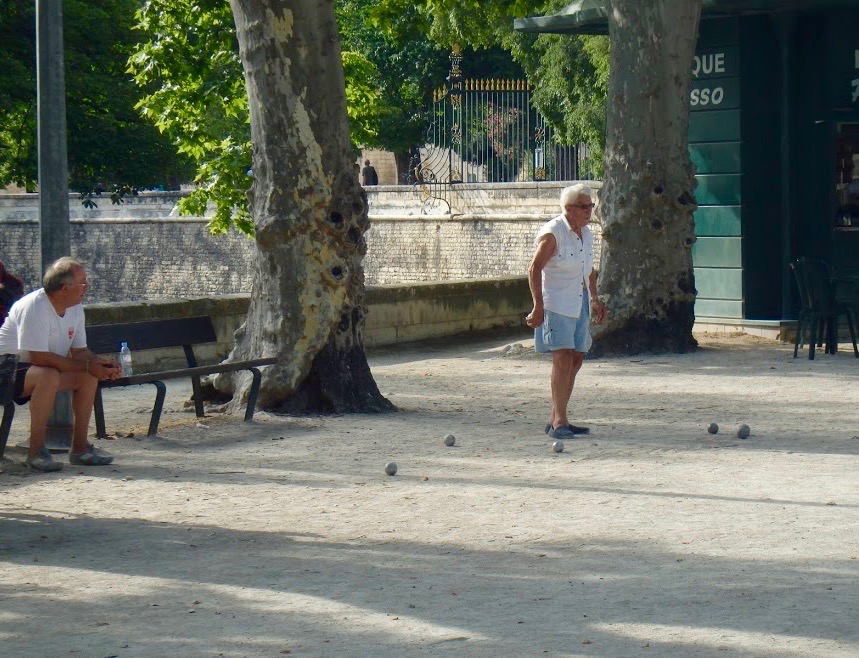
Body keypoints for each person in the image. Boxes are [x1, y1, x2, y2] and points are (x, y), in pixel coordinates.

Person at [0, 257, 121, 472]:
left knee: (87, 377)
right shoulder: (35, 306)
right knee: (48, 374)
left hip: (34, 371)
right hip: (7, 369)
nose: (87, 287)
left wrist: (99, 364)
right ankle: (36, 452)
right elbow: (39, 358)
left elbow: (80, 351)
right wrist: (86, 366)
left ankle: (80, 448)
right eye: (83, 283)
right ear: (66, 288)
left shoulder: (75, 308)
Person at [526, 183, 608, 441]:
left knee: (577, 358)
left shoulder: (587, 235)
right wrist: (538, 305)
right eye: (584, 206)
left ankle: (555, 417)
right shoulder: (553, 233)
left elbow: (589, 271)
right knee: (562, 358)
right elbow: (534, 269)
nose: (589, 211)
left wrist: (595, 299)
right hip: (557, 303)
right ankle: (560, 419)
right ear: (569, 208)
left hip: (579, 302)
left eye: (591, 206)